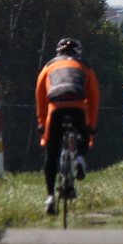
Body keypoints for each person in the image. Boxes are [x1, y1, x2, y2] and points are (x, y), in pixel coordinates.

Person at [36, 38, 100, 215]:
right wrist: (92, 126)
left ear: (58, 52)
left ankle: (50, 196)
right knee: (83, 130)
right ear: (78, 53)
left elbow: (41, 97)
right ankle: (79, 158)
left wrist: (42, 123)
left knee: (52, 153)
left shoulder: (48, 67)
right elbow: (94, 98)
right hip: (78, 107)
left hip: (55, 109)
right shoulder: (85, 66)